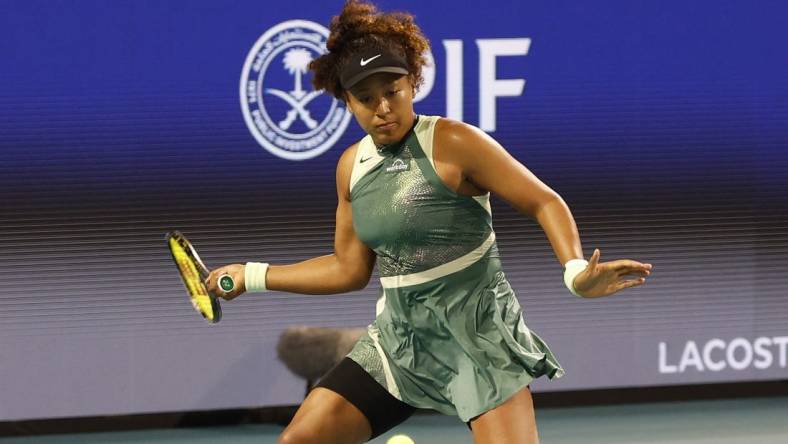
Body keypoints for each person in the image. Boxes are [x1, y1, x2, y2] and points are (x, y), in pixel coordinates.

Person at [205, 1, 653, 443]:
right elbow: (349, 269)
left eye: (392, 91)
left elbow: (543, 201)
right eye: (365, 98)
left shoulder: (454, 142)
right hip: (399, 343)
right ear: (347, 102)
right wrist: (254, 275)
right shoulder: (351, 167)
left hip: (480, 341)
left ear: (412, 83)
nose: (382, 107)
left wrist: (575, 272)